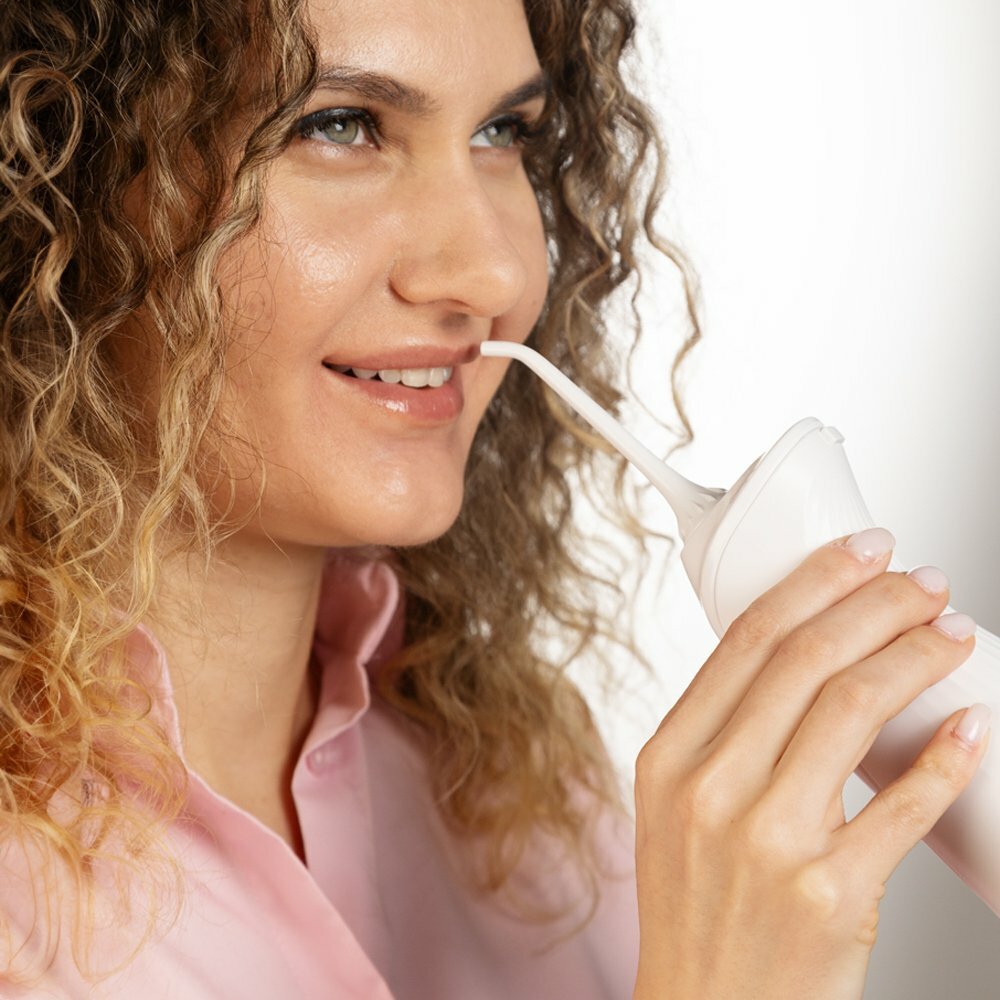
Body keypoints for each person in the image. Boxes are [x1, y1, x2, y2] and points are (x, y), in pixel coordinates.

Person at [0, 0, 989, 997]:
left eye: (501, 132)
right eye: (337, 124)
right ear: (55, 189)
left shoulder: (532, 817)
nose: (494, 273)